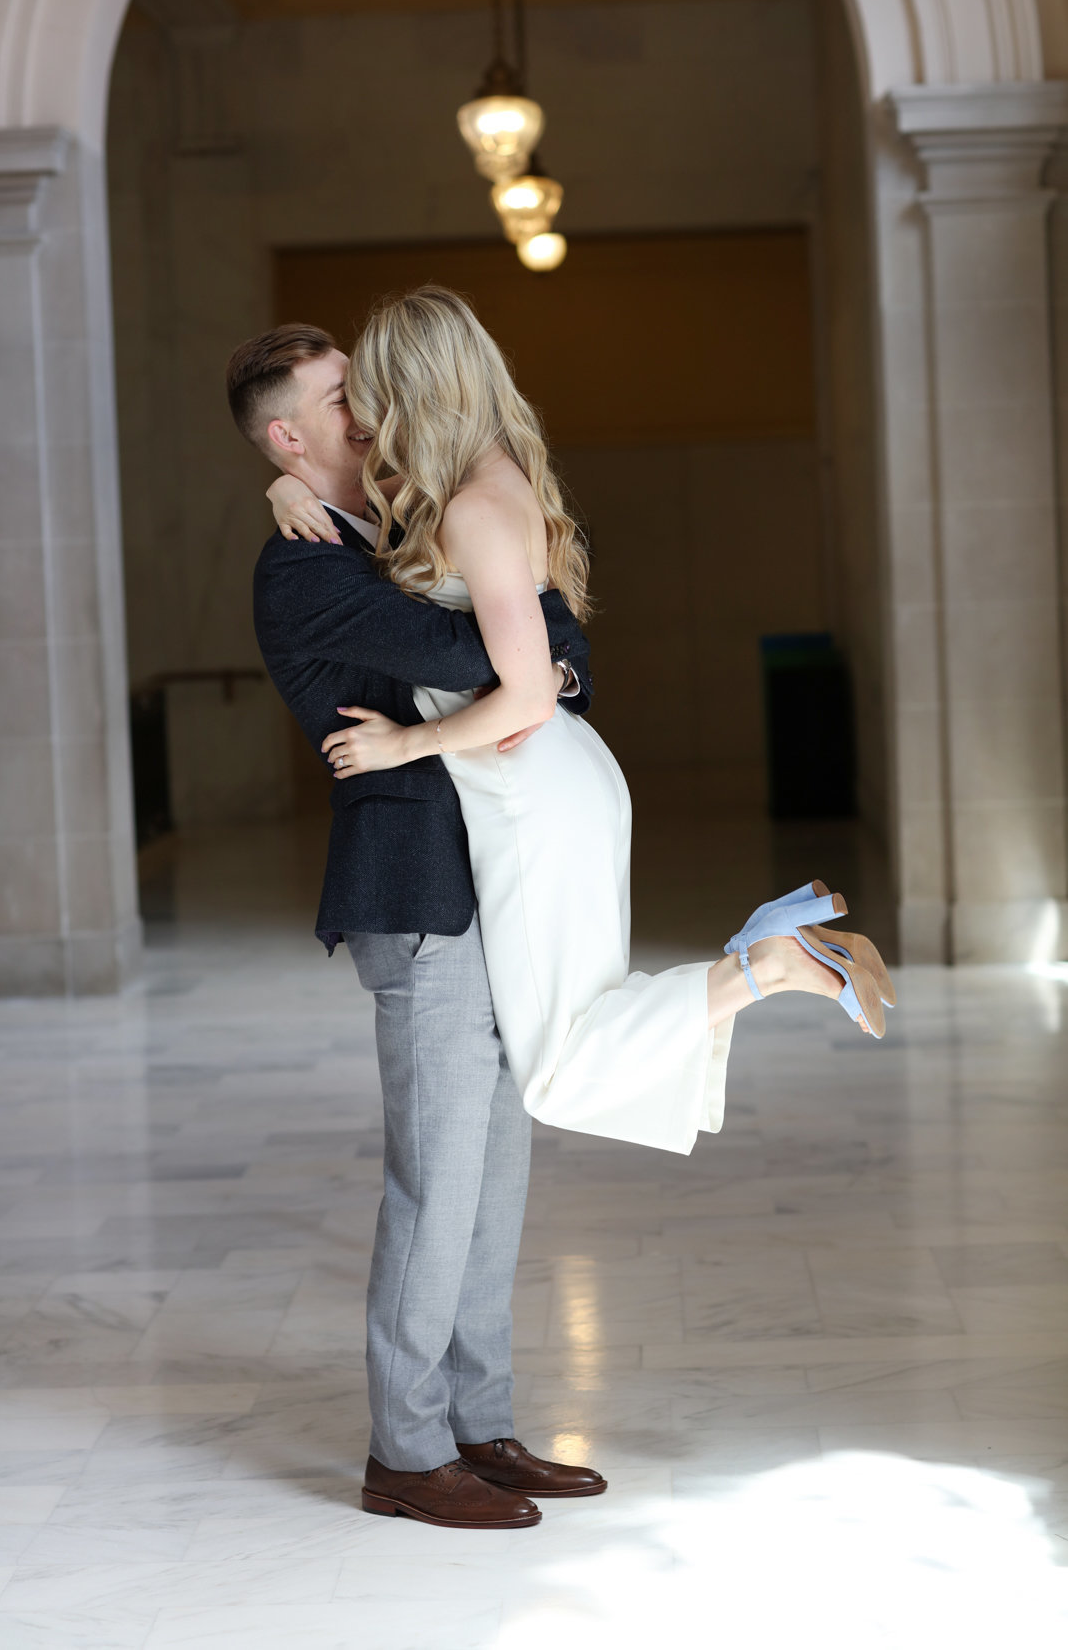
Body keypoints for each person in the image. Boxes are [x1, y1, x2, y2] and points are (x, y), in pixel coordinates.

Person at [265, 285, 893, 1163]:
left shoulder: (471, 506)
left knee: (557, 1070)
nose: (361, 417)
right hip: (556, 781)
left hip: (528, 795)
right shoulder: (483, 482)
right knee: (580, 1026)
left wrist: (400, 743)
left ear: (407, 388)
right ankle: (762, 954)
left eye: (364, 390)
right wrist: (281, 484)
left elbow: (523, 693)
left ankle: (770, 964)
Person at [229, 323, 608, 1533]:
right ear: (286, 434)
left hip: (493, 884)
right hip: (415, 891)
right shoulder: (300, 567)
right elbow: (481, 646)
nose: (369, 405)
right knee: (435, 1178)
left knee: (494, 1172)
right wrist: (526, 648)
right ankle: (404, 1447)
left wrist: (529, 648)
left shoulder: (390, 526)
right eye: (341, 396)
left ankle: (478, 1421)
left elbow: (561, 645)